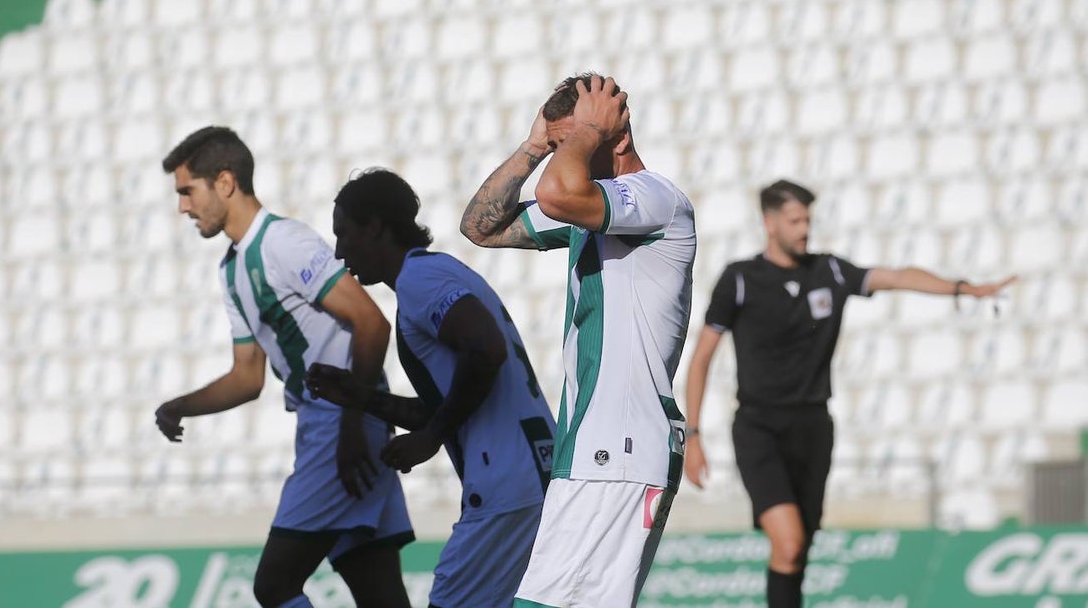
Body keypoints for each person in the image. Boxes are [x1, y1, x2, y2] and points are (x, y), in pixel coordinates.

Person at [682, 179, 1016, 608]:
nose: (805, 229)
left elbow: (896, 277)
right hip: (759, 427)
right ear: (770, 223)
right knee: (788, 541)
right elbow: (701, 359)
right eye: (795, 221)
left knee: (799, 549)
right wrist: (693, 435)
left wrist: (961, 288)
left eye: (808, 220)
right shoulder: (741, 279)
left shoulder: (831, 271)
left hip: (813, 426)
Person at [460, 74, 697, 608]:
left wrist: (586, 130)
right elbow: (480, 227)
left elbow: (557, 192)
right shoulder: (588, 212)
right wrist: (533, 147)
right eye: (559, 146)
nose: (562, 156)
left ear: (616, 134)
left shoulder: (654, 198)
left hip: (618, 447)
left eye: (574, 142)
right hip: (599, 448)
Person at [152, 127, 413, 608]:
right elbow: (247, 377)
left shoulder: (284, 242)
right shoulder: (232, 268)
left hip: (342, 424)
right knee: (379, 592)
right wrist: (179, 406)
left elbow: (372, 323)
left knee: (274, 585)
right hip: (330, 424)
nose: (183, 207)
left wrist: (352, 423)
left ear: (225, 182)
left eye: (187, 191)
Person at [305, 168, 557, 608]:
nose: (339, 252)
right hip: (533, 474)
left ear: (375, 226)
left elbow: (486, 349)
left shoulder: (421, 280)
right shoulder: (440, 273)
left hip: (504, 485)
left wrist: (432, 437)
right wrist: (359, 396)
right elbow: (449, 404)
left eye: (343, 234)